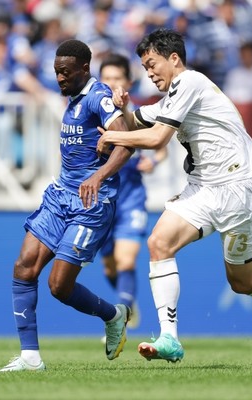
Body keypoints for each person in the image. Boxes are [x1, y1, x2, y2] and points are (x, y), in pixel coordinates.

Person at [97, 28, 252, 363]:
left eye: (152, 63)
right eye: (145, 67)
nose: (148, 72)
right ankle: (169, 339)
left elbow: (158, 137)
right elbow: (135, 122)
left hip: (239, 188)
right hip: (205, 188)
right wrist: (120, 110)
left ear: (174, 59)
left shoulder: (190, 82)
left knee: (241, 281)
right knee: (158, 243)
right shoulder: (173, 98)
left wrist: (112, 140)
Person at [0, 39, 134, 372]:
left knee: (58, 286)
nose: (59, 78)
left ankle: (113, 315)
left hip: (91, 202)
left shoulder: (97, 98)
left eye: (65, 72)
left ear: (84, 69)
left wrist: (98, 177)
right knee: (24, 267)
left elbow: (126, 144)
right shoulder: (74, 97)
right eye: (57, 72)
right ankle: (30, 358)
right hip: (60, 196)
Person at [98, 53, 167, 330]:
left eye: (117, 78)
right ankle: (129, 302)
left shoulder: (137, 111)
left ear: (128, 81)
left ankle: (122, 317)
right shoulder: (91, 111)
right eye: (107, 78)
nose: (112, 83)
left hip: (130, 197)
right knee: (110, 267)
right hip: (101, 199)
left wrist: (154, 160)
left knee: (126, 259)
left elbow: (161, 143)